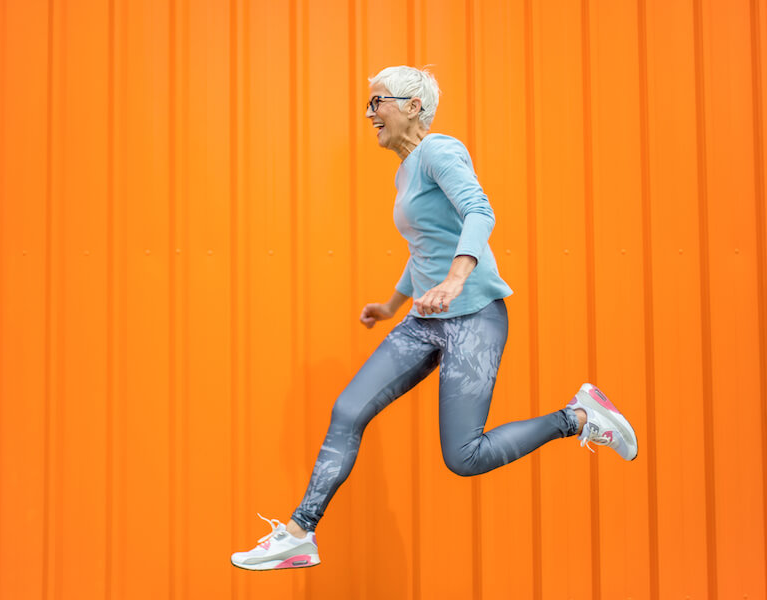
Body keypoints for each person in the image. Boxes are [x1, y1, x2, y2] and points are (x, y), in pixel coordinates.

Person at [230, 66, 637, 571]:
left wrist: (457, 280)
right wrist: (393, 303)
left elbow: (479, 212)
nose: (369, 113)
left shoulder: (439, 151)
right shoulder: (406, 169)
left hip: (473, 319)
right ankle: (299, 533)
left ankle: (579, 417)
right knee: (348, 410)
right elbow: (426, 245)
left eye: (378, 102)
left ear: (413, 106)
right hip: (426, 321)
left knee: (464, 457)